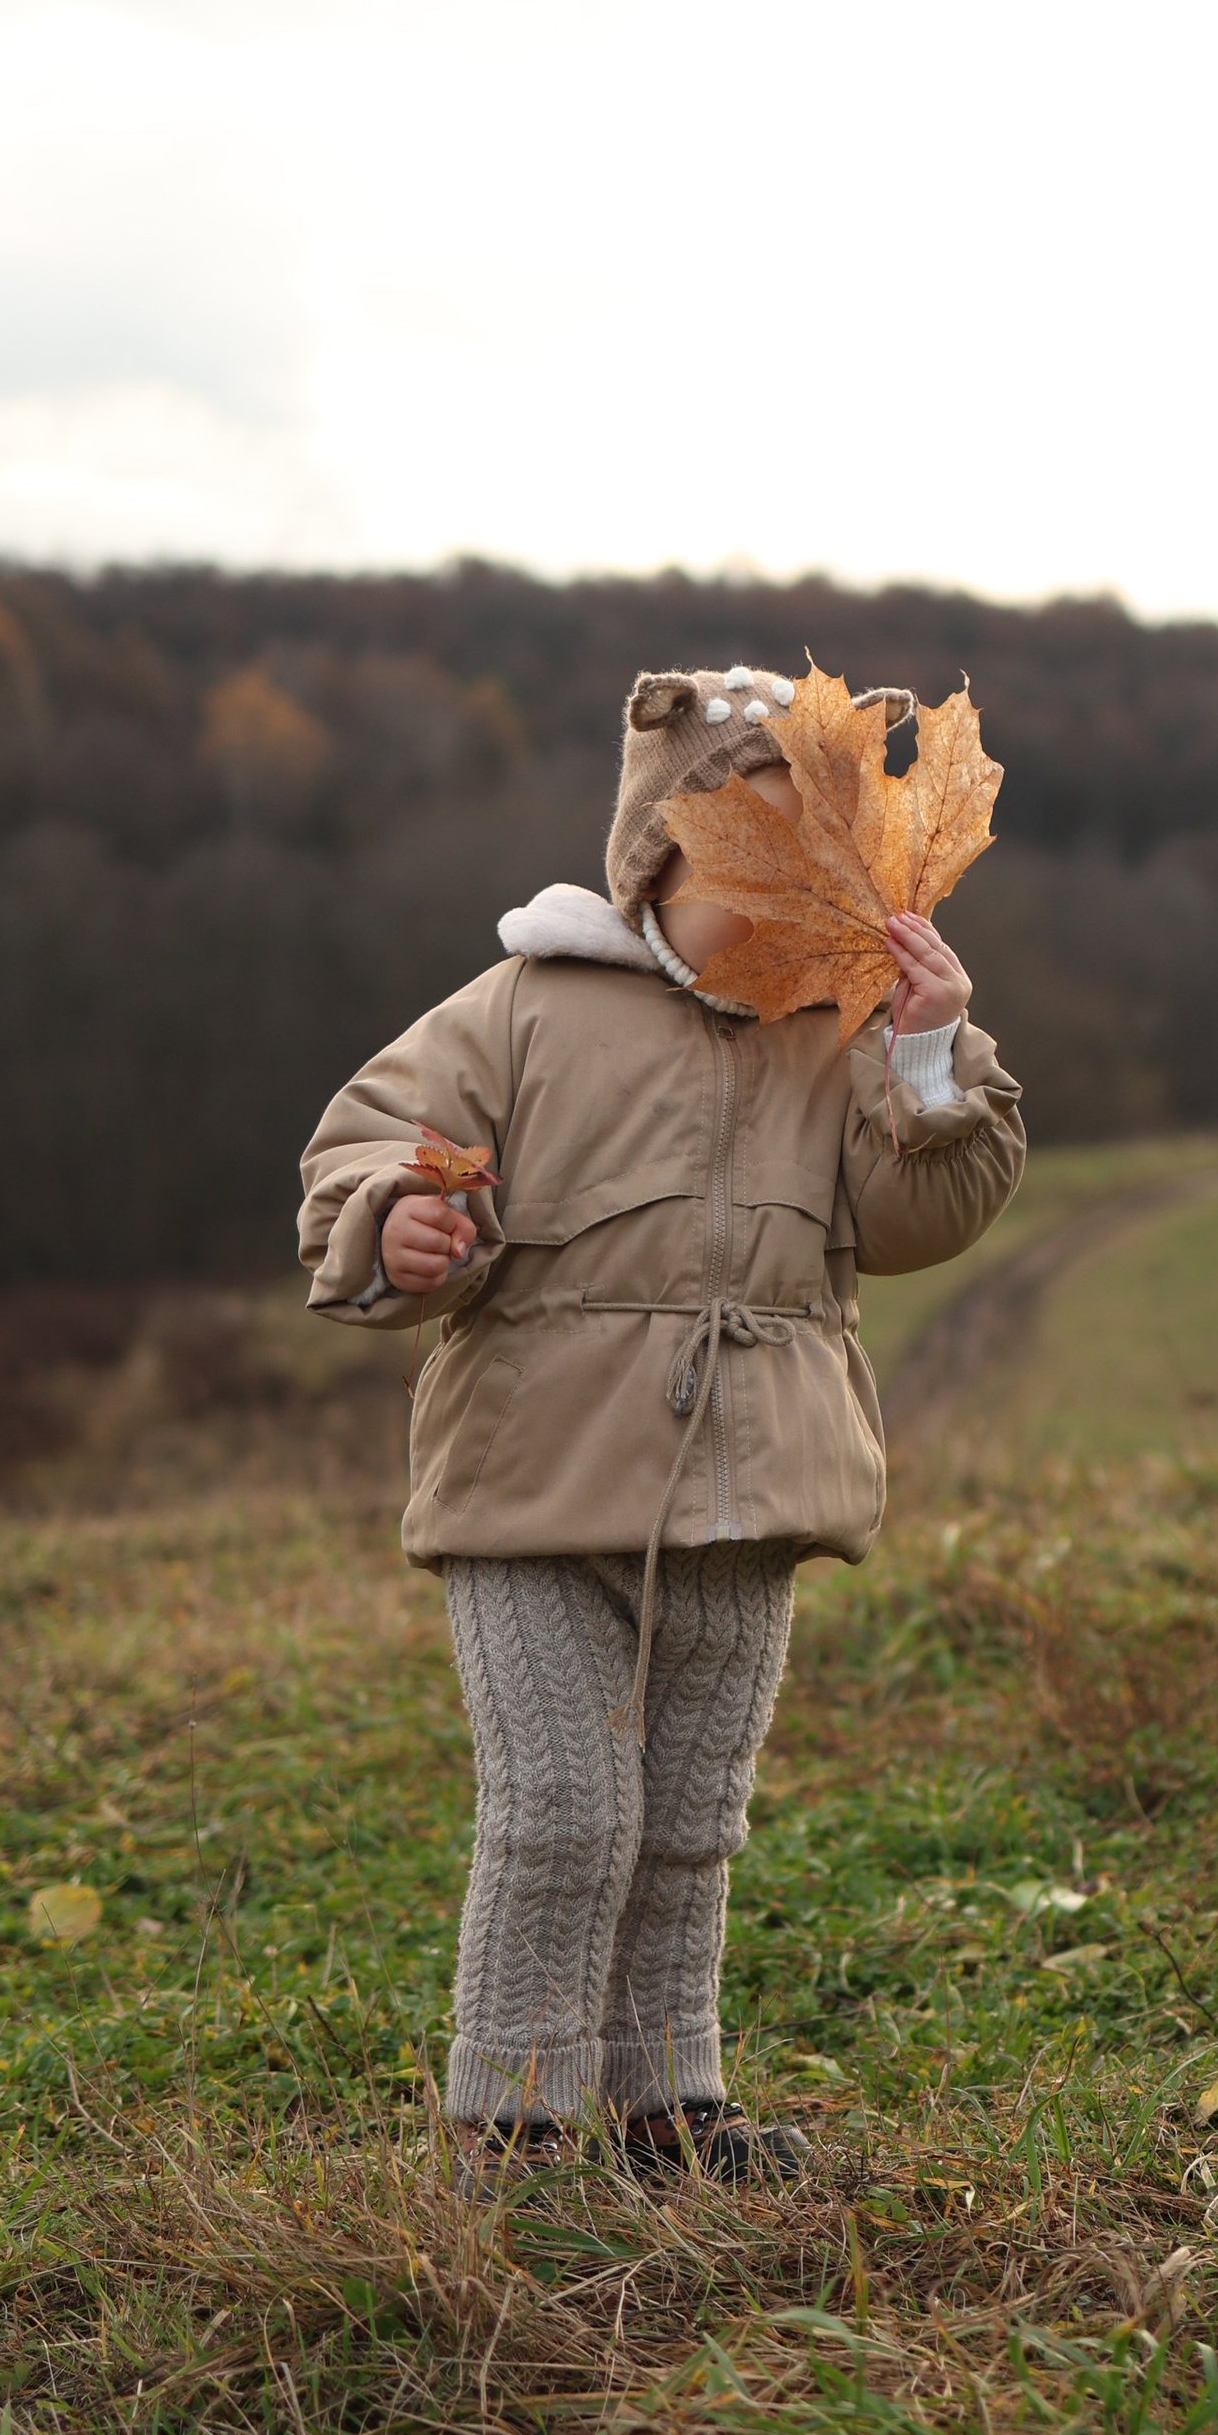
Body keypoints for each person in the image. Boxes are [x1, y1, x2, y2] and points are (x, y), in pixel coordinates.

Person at [298, 662, 1026, 2190]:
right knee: (564, 1808)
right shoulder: (525, 1005)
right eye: (766, 827)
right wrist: (397, 1225)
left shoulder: (845, 1029)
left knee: (691, 1819)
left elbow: (919, 1222)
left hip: (752, 1481)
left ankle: (663, 2105)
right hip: (534, 1484)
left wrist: (922, 1052)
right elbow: (366, 1146)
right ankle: (512, 2122)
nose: (804, 864)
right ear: (664, 844)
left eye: (834, 834)